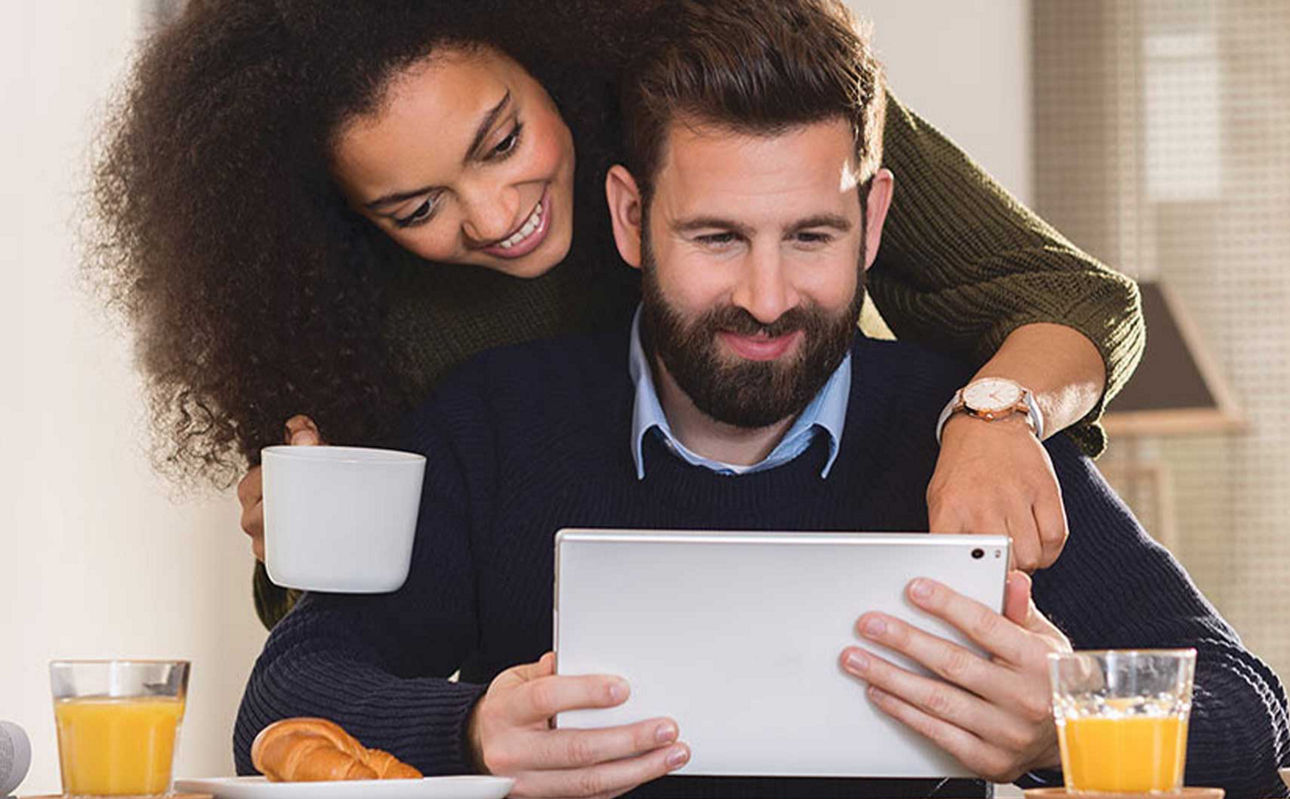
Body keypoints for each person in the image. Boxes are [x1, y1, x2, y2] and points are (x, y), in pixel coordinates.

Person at [233, 0, 1288, 799]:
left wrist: (1065, 716)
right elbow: (285, 698)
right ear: (631, 218)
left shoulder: (956, 423)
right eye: (719, 238)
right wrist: (470, 728)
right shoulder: (493, 420)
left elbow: (1253, 705)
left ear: (875, 221)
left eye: (812, 237)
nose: (769, 298)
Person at [91, 0, 1143, 631]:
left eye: (502, 141)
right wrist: (301, 544)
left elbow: (1073, 299)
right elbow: (336, 644)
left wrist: (996, 417)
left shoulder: (743, 113)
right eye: (416, 207)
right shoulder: (328, 307)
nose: (497, 216)